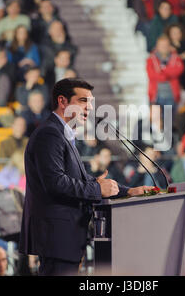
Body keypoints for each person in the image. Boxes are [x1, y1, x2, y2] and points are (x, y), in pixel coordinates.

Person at [19, 78, 153, 276]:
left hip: (66, 237)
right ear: (62, 101)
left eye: (90, 102)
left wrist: (129, 191)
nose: (89, 108)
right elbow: (55, 183)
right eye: (83, 101)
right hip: (57, 236)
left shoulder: (64, 134)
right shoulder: (49, 134)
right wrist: (98, 189)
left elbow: (80, 180)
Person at [146, 35, 184, 111]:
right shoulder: (151, 59)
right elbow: (151, 75)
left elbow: (178, 71)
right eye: (161, 45)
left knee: (168, 121)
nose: (164, 47)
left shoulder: (176, 57)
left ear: (169, 46)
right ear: (157, 46)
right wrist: (168, 74)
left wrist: (162, 70)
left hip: (171, 96)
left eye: (166, 45)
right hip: (156, 96)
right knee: (156, 121)